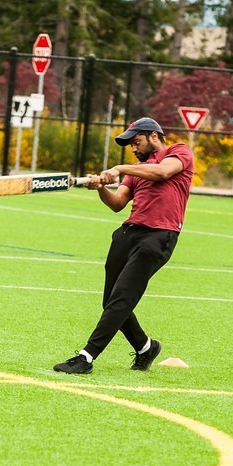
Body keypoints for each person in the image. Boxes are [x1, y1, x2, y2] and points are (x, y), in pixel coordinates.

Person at [53, 117, 194, 374]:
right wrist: (100, 187)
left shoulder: (178, 152)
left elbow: (163, 172)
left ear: (154, 136)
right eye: (131, 145)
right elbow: (118, 203)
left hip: (158, 236)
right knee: (111, 301)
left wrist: (119, 168)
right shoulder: (136, 169)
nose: (134, 148)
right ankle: (145, 347)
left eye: (136, 142)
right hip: (127, 234)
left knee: (121, 299)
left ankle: (86, 357)